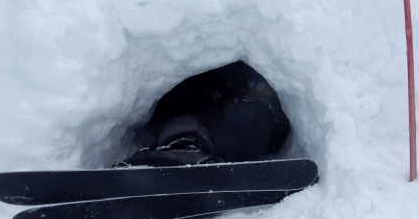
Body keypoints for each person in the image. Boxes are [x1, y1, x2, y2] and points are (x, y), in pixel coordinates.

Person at [113, 61, 291, 168]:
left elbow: (263, 105)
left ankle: (185, 149)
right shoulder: (203, 107)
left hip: (257, 124)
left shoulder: (235, 89)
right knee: (182, 126)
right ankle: (179, 157)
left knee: (184, 125)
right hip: (225, 147)